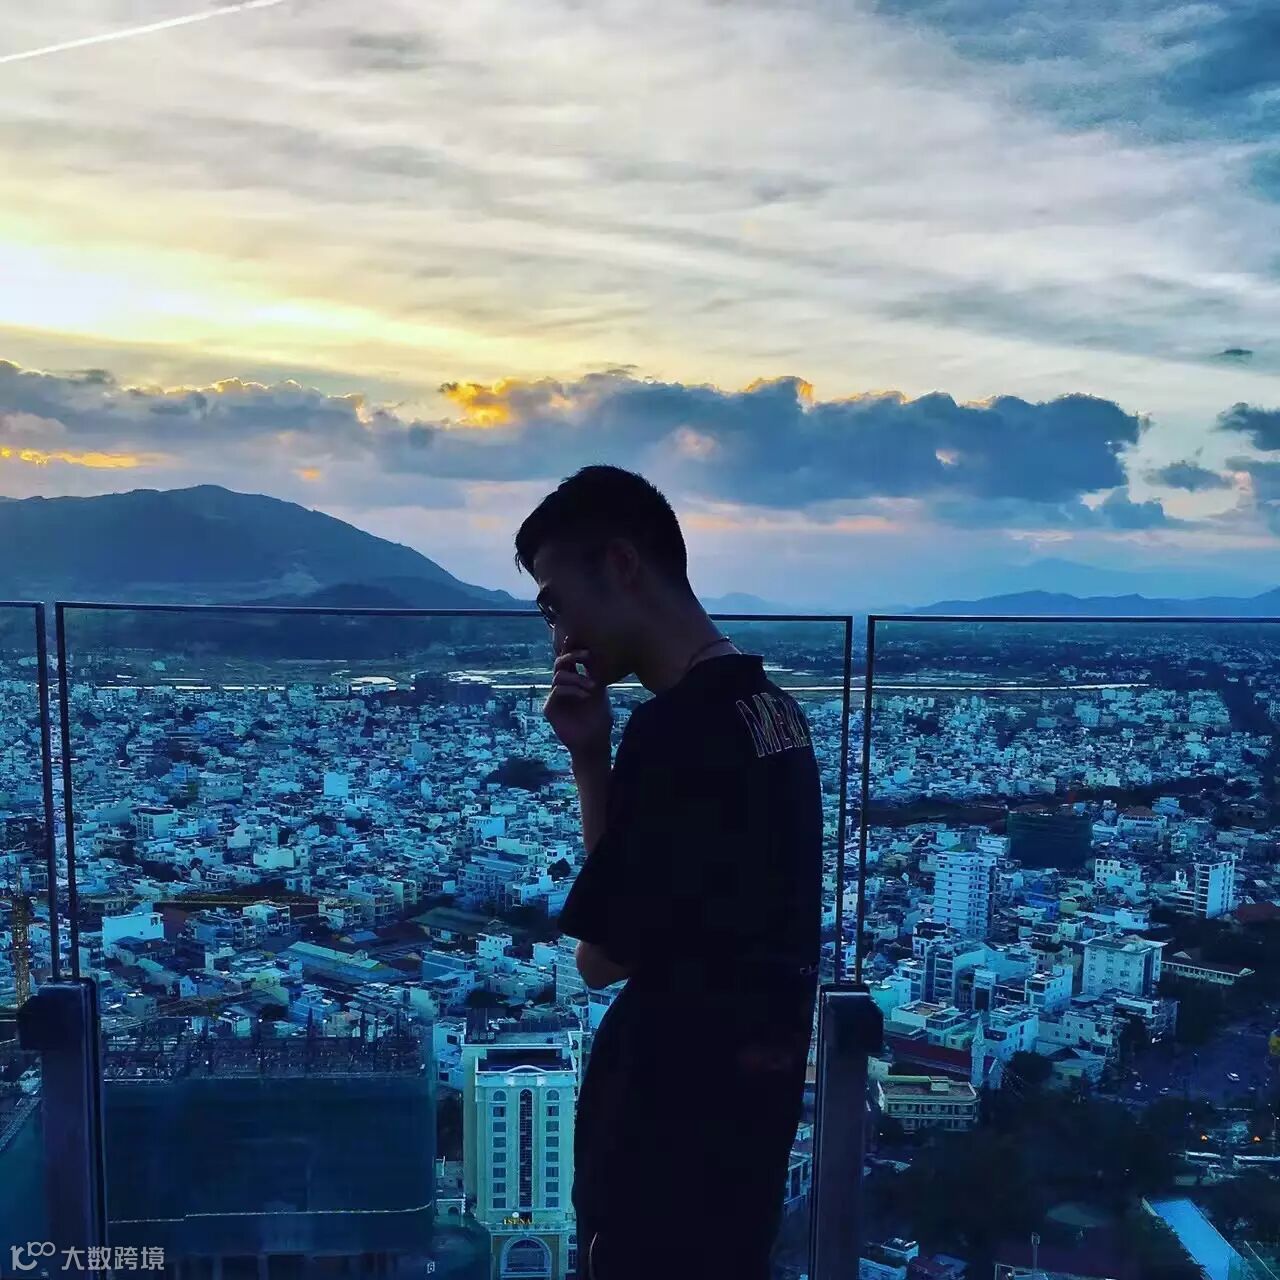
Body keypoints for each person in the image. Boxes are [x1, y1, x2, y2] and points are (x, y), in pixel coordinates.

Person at [514, 465, 823, 1280]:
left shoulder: (678, 730)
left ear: (621, 565)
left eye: (554, 605)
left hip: (665, 1137)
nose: (559, 638)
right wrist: (592, 755)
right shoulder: (774, 713)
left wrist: (595, 763)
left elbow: (601, 957)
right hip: (747, 1132)